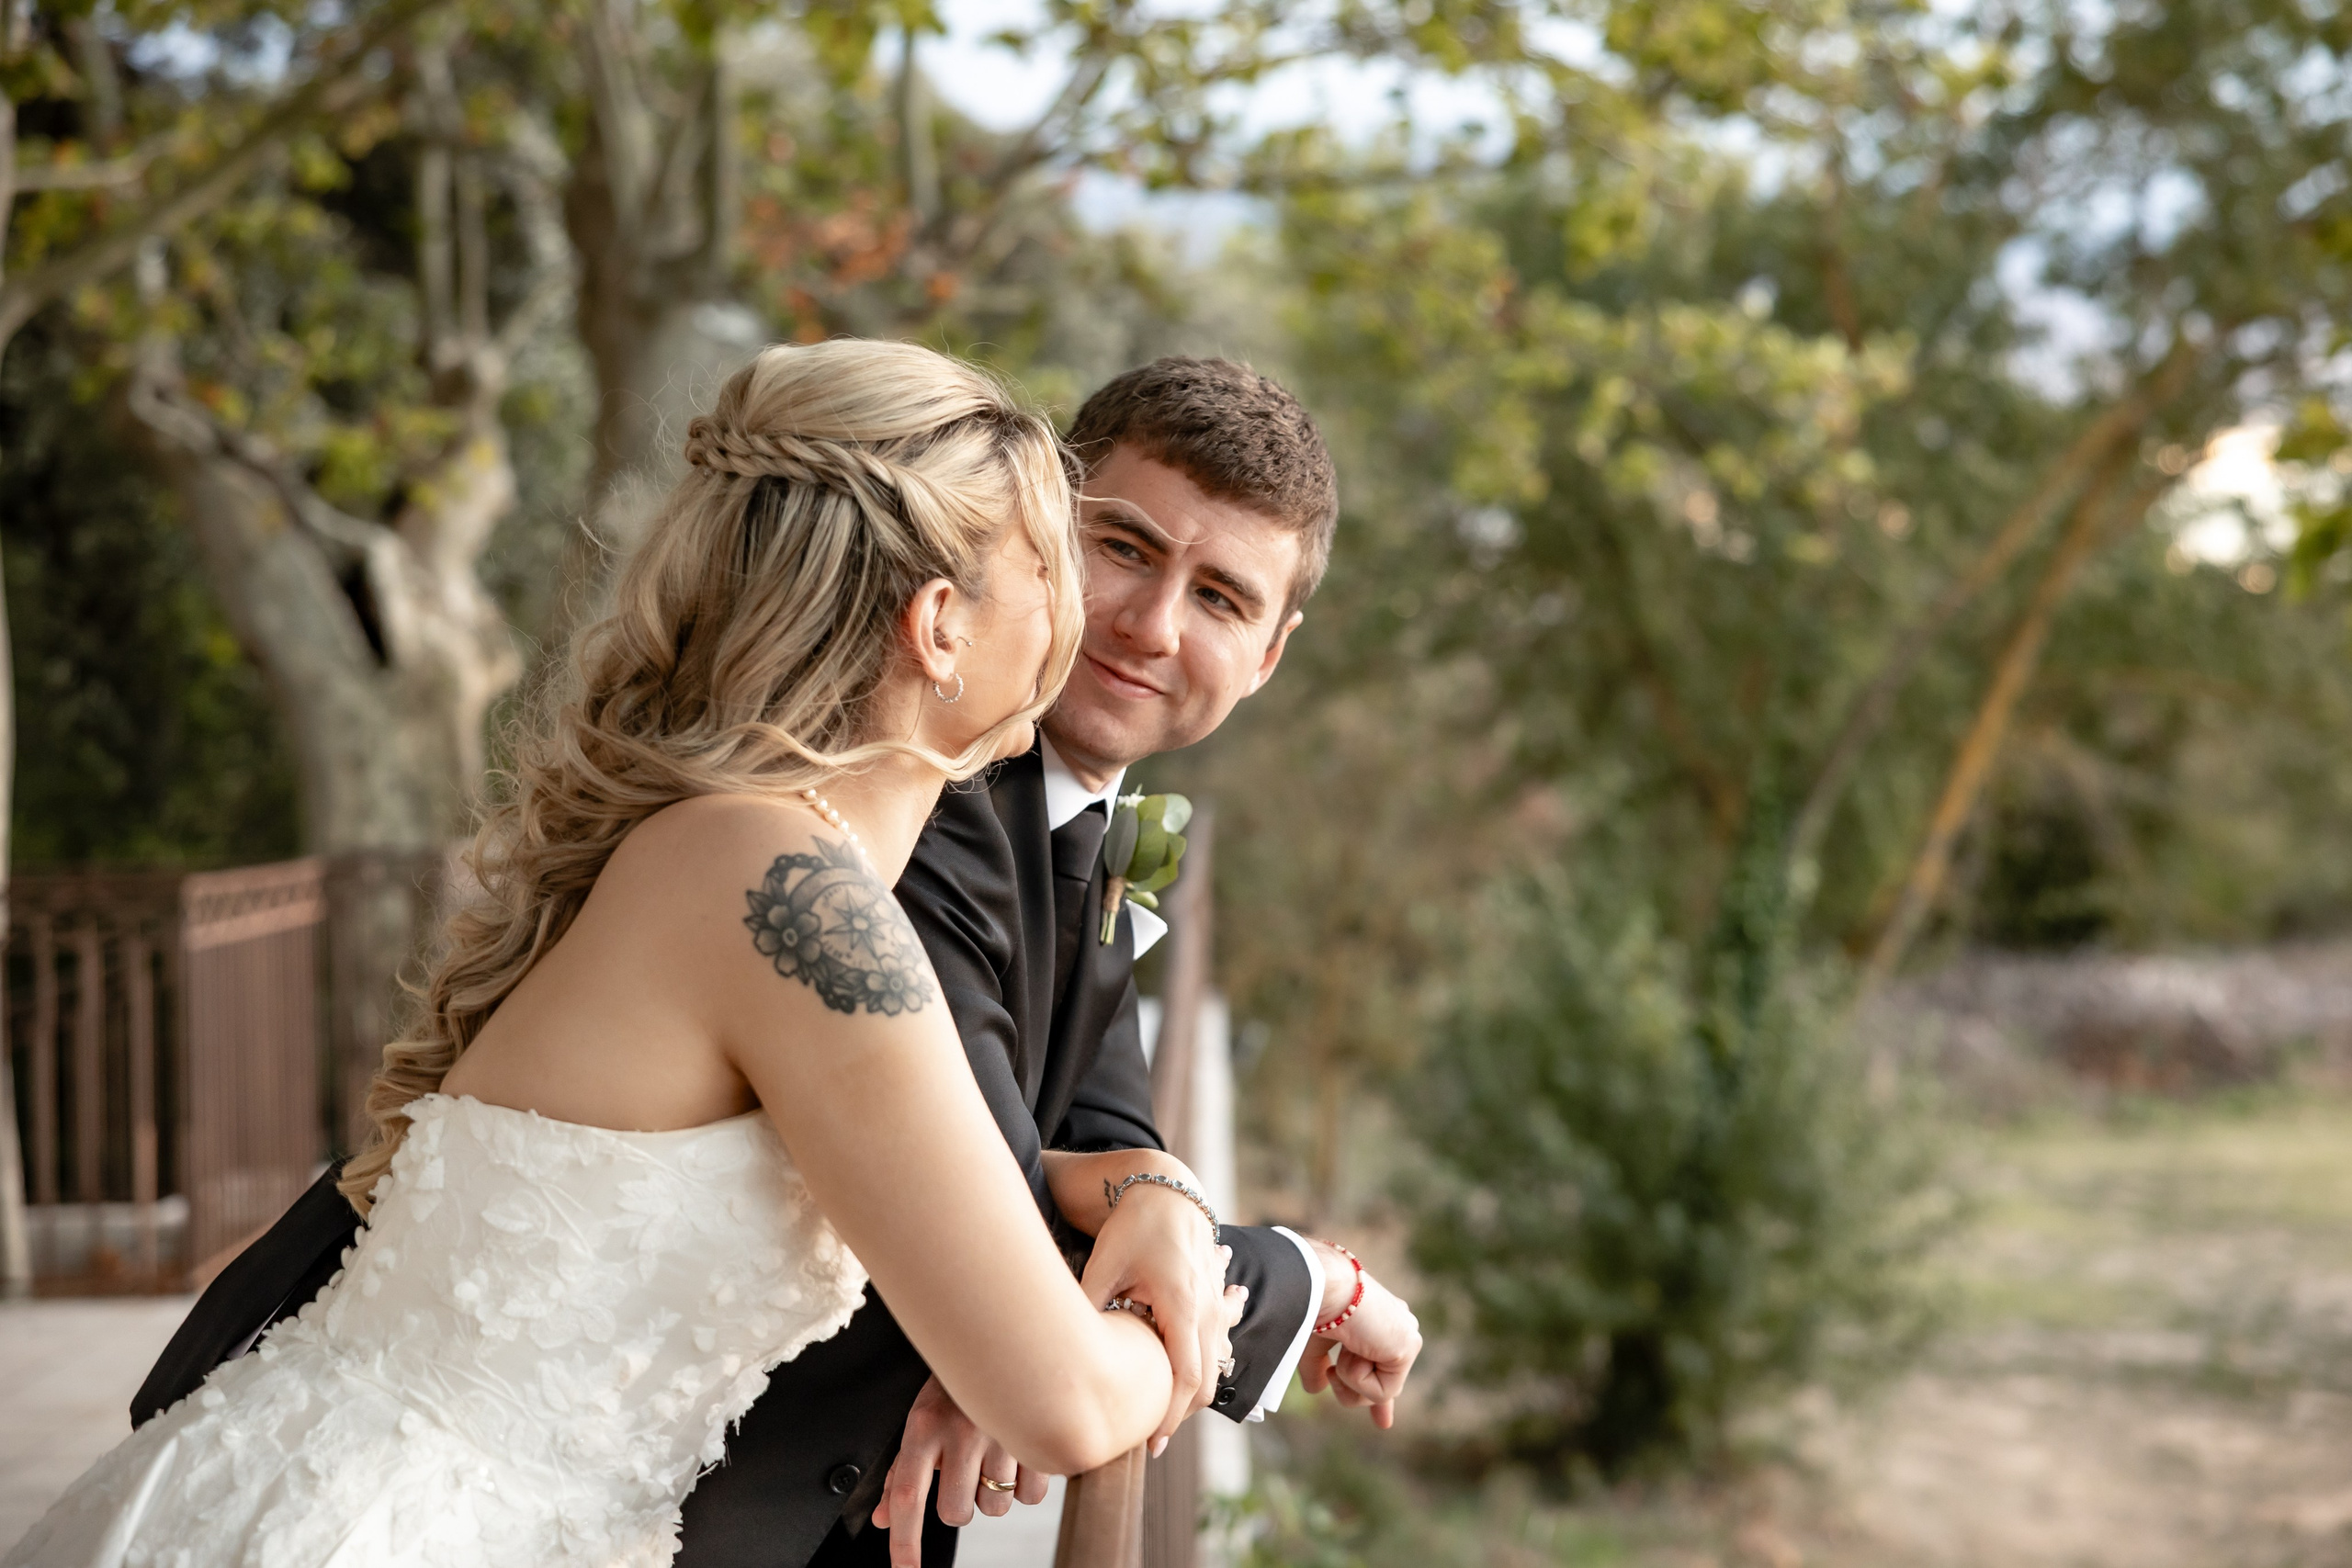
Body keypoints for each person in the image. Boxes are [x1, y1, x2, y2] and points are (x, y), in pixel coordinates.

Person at [115, 357, 1426, 1568]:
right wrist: (1261, 1292)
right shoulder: (798, 894)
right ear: (940, 624)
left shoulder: (764, 838)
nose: (1120, 622)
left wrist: (1155, 1194)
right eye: (1077, 559)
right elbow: (1062, 1387)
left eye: (1218, 596)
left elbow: (1038, 1139)